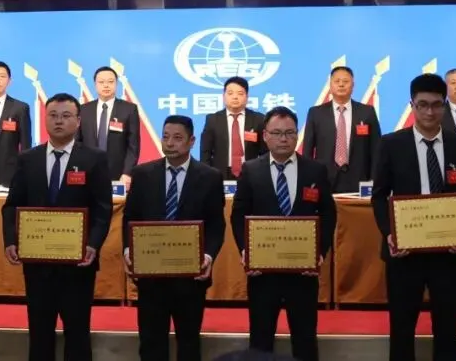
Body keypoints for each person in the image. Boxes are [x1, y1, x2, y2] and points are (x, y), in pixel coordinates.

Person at [371, 74, 456, 361]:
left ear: (444, 105)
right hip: (404, 252)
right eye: (422, 105)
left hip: (449, 252)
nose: (429, 112)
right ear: (412, 106)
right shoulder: (391, 144)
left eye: (436, 105)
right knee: (402, 327)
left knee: (447, 327)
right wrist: (389, 234)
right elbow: (379, 196)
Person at [2, 93, 114, 361]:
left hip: (78, 264)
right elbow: (12, 204)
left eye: (66, 116)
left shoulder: (94, 159)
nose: (59, 121)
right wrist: (11, 240)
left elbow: (103, 209)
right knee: (39, 332)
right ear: (45, 119)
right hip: (38, 264)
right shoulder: (28, 158)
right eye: (53, 115)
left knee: (77, 332)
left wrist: (93, 245)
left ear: (78, 121)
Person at [231, 107, 336, 361]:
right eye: (277, 133)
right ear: (265, 136)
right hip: (263, 272)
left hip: (303, 272)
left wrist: (319, 253)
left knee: (305, 340)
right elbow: (238, 215)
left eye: (289, 133)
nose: (283, 139)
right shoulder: (251, 170)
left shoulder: (315, 170)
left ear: (297, 135)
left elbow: (328, 214)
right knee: (260, 340)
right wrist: (246, 252)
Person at [122, 115, 226, 361]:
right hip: (151, 277)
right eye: (166, 137)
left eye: (177, 138)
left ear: (191, 141)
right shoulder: (142, 174)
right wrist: (128, 251)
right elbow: (130, 218)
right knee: (151, 343)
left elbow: (216, 225)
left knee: (188, 343)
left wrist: (208, 256)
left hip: (190, 277)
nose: (170, 143)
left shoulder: (210, 176)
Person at [302, 66, 382, 192]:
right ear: (330, 85)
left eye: (345, 81)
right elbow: (307, 151)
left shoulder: (367, 112)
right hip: (324, 180)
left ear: (353, 85)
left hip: (360, 181)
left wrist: (373, 180)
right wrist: (309, 180)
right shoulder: (316, 113)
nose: (341, 85)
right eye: (337, 81)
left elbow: (376, 150)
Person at [76, 65, 142, 187]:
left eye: (110, 82)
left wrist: (127, 173)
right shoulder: (83, 110)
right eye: (101, 82)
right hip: (87, 173)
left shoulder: (129, 109)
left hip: (118, 175)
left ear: (116, 84)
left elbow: (133, 146)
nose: (106, 85)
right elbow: (77, 143)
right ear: (95, 84)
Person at [200, 76, 266, 178]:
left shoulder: (258, 119)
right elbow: (205, 152)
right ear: (223, 96)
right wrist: (206, 176)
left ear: (247, 97)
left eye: (240, 93)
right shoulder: (212, 120)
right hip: (219, 173)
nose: (235, 97)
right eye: (230, 93)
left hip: (251, 173)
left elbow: (265, 152)